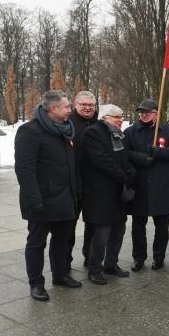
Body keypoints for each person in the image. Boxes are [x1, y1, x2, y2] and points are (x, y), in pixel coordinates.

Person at [14, 90, 82, 301]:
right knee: (37, 243)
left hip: (65, 197)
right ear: (53, 108)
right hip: (41, 201)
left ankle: (60, 275)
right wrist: (34, 200)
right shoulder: (30, 131)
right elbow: (24, 170)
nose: (70, 110)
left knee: (62, 240)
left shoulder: (65, 130)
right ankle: (36, 283)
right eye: (67, 107)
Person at [123, 99, 169, 271]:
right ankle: (139, 258)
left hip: (161, 186)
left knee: (162, 227)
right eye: (141, 112)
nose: (144, 114)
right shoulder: (130, 132)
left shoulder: (168, 131)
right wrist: (142, 158)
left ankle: (159, 257)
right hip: (140, 186)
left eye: (148, 112)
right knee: (138, 226)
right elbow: (125, 152)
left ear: (156, 113)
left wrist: (160, 153)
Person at [82, 104, 135, 285]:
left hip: (117, 193)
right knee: (101, 235)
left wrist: (129, 172)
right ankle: (95, 269)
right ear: (105, 118)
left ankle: (111, 264)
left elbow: (123, 158)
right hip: (100, 193)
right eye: (116, 117)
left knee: (118, 231)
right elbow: (101, 161)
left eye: (121, 116)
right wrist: (123, 176)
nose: (120, 120)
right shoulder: (93, 132)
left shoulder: (118, 134)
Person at [68, 90, 98, 269]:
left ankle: (90, 257)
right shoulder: (67, 123)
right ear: (75, 105)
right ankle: (65, 263)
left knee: (93, 225)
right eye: (84, 105)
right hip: (72, 185)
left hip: (95, 186)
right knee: (68, 227)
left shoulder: (100, 124)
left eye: (91, 105)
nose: (87, 108)